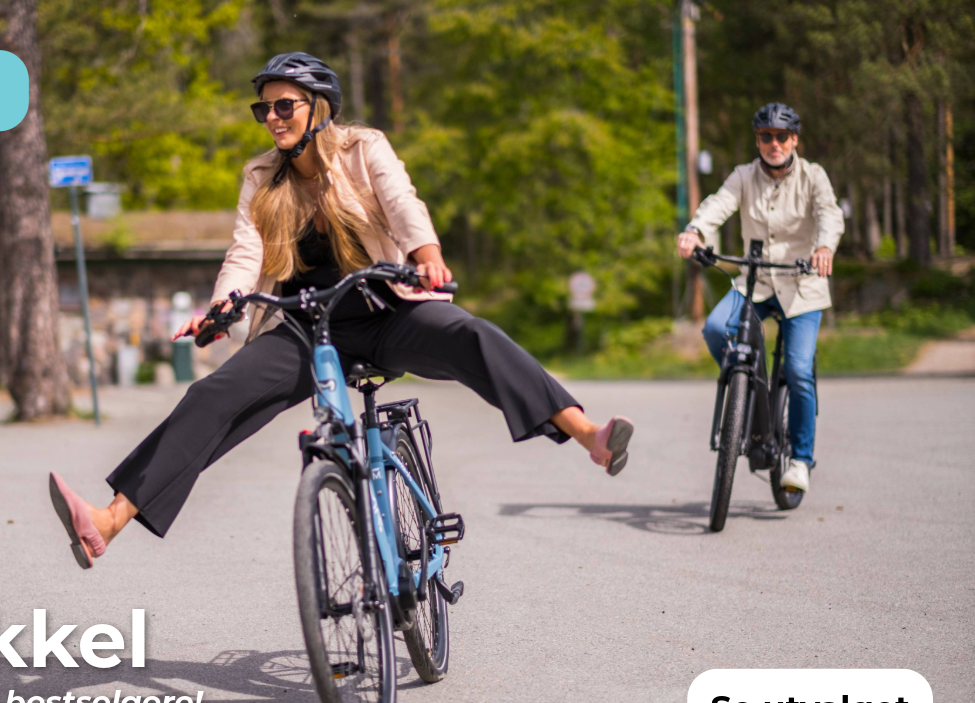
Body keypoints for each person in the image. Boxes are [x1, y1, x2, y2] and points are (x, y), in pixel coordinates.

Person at [49, 53, 634, 569]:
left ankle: (589, 434)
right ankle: (109, 521)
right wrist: (222, 308)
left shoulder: (363, 148)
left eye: (284, 105)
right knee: (211, 395)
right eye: (263, 109)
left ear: (318, 107)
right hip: (308, 326)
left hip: (390, 311)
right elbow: (245, 252)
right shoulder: (261, 176)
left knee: (471, 334)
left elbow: (402, 202)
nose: (272, 117)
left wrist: (427, 255)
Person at [676, 102, 843, 494]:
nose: (774, 143)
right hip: (756, 284)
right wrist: (695, 231)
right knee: (716, 329)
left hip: (802, 289)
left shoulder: (813, 176)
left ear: (794, 140)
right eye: (766, 136)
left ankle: (800, 460)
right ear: (758, 140)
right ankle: (747, 390)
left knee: (798, 370)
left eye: (782, 136)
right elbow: (717, 203)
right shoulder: (743, 176)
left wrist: (824, 247)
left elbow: (829, 214)